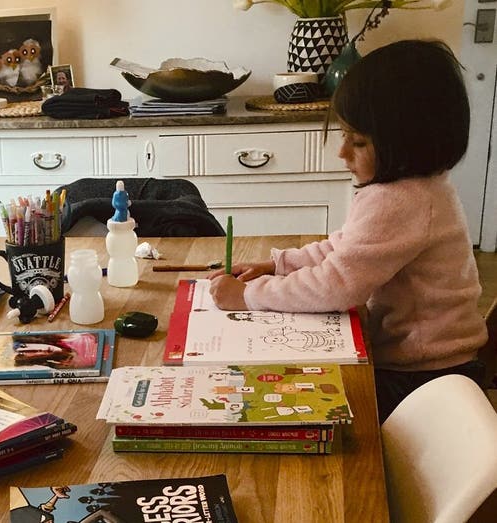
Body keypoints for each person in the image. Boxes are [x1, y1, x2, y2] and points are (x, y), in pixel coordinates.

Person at [207, 40, 487, 423]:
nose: (342, 153)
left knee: (294, 410)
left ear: (407, 142)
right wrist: (279, 265)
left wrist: (249, 296)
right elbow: (345, 247)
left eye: (357, 141)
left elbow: (338, 285)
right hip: (426, 363)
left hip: (425, 379)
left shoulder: (401, 200)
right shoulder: (417, 186)